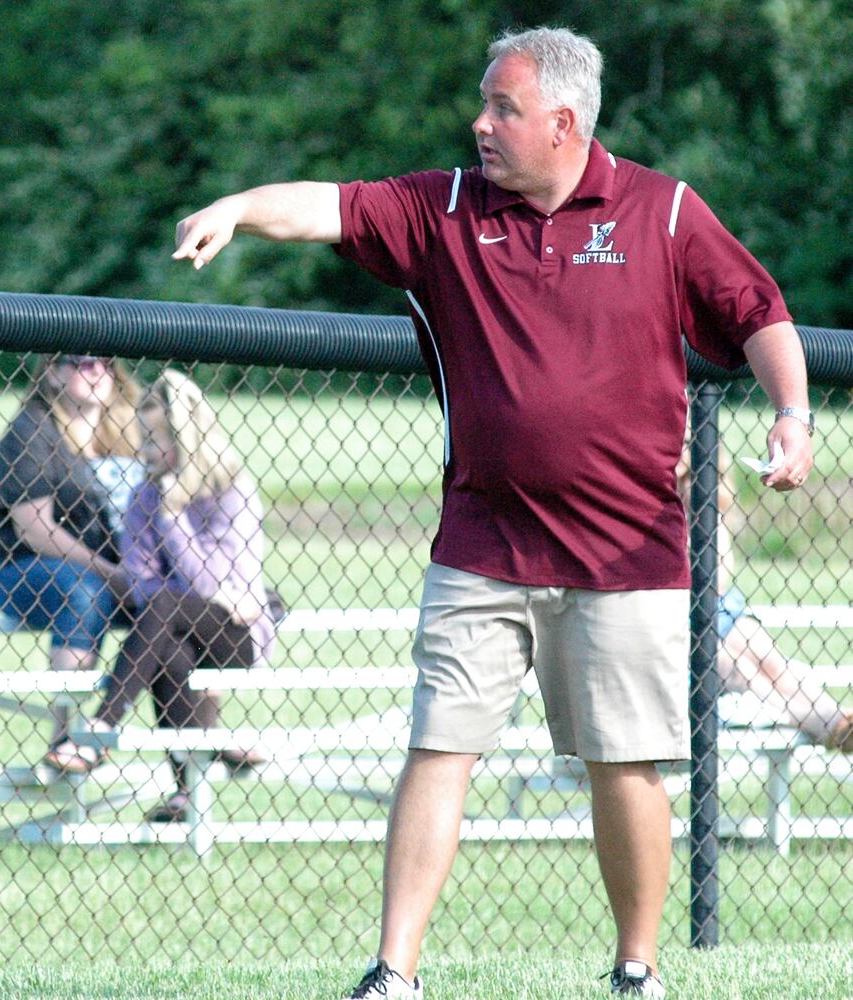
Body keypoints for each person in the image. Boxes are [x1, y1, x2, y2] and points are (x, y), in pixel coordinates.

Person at [172, 25, 814, 998]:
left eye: (500, 108)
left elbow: (757, 310)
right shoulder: (441, 210)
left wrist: (792, 415)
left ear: (562, 123)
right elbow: (328, 208)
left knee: (622, 765)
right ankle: (393, 972)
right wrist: (236, 208)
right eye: (481, 103)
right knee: (437, 746)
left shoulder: (661, 211)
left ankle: (634, 969)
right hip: (480, 546)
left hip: (627, 554)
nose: (478, 123)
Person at [47, 369, 277, 823]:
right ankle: (186, 794)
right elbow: (142, 585)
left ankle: (101, 726)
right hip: (173, 628)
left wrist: (173, 517)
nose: (145, 452)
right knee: (164, 635)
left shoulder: (232, 491)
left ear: (189, 439)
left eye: (156, 441)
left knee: (162, 612)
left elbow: (215, 588)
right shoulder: (143, 496)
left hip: (238, 637)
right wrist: (165, 519)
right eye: (143, 439)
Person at [0, 354, 142, 768]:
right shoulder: (32, 429)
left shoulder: (128, 431)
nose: (97, 372)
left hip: (118, 573)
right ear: (54, 371)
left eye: (106, 364)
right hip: (25, 571)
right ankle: (66, 736)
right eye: (83, 363)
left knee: (178, 605)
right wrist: (109, 572)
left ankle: (195, 750)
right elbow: (35, 528)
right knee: (83, 591)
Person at [676, 448, 853, 750]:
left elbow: (718, 579)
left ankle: (836, 718)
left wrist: (705, 517)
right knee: (740, 667)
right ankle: (826, 725)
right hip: (682, 629)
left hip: (719, 618)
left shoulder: (707, 509)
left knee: (769, 659)